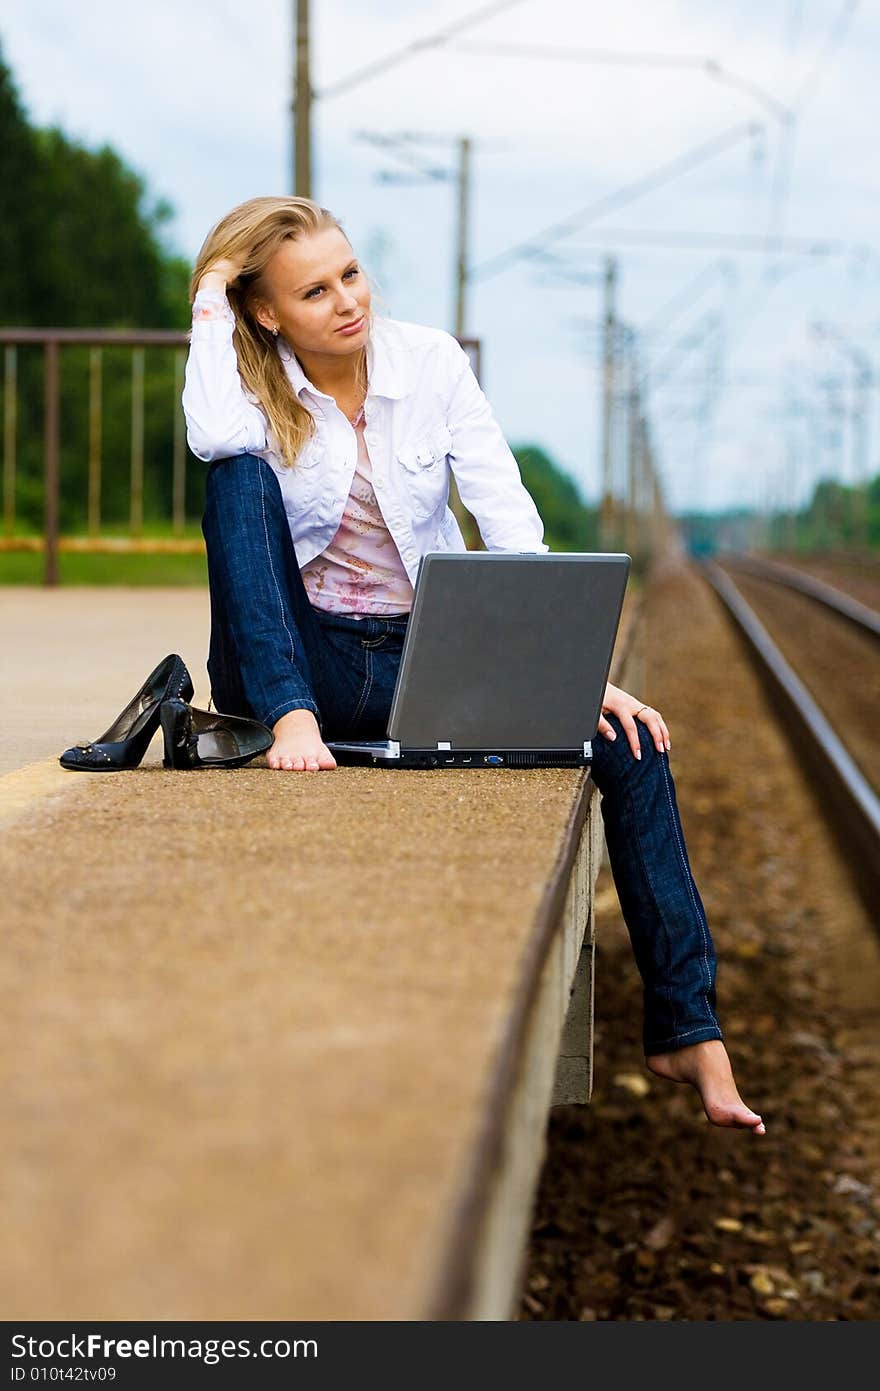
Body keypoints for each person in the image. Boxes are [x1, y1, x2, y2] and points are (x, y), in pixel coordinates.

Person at [182, 195, 765, 1136]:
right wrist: (212, 297)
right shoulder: (247, 389)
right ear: (267, 312)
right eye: (314, 290)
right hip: (300, 667)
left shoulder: (430, 363)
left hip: (423, 656)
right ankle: (290, 721)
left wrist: (571, 669)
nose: (346, 302)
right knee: (237, 475)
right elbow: (213, 437)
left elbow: (505, 511)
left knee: (633, 744)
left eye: (351, 274)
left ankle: (687, 1028)